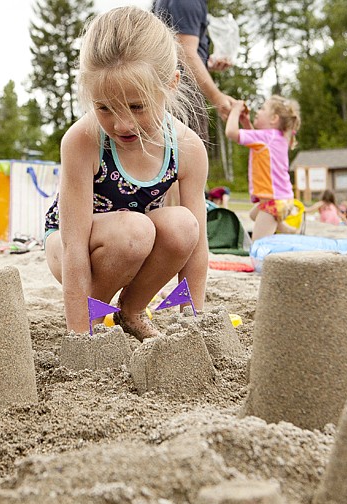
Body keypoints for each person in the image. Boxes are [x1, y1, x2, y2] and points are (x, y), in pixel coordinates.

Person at [43, 6, 209, 342]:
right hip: (73, 243)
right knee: (134, 231)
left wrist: (193, 324)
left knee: (183, 226)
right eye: (104, 107)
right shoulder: (82, 140)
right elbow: (73, 245)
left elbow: (197, 246)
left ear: (171, 84)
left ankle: (131, 311)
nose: (121, 124)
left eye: (136, 106)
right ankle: (93, 316)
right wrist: (79, 334)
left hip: (136, 239)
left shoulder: (187, 148)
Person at [152, 0, 236, 144]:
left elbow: (178, 52)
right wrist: (217, 97)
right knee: (190, 152)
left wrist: (206, 63)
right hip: (183, 95)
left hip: (166, 90)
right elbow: (186, 54)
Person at [225, 95, 301, 240]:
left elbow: (231, 132)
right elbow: (255, 140)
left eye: (262, 108)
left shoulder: (266, 137)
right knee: (253, 215)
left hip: (273, 203)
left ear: (274, 119)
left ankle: (280, 229)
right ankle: (287, 230)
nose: (257, 111)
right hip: (283, 199)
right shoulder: (276, 136)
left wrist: (235, 110)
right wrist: (246, 122)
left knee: (257, 247)